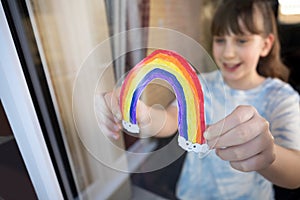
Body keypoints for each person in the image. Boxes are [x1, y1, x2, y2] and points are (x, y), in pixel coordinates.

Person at [98, 0, 300, 199]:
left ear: (265, 45)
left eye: (241, 40)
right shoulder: (201, 85)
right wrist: (144, 115)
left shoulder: (281, 98)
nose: (228, 53)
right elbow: (170, 120)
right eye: (220, 40)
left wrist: (267, 153)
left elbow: (295, 173)